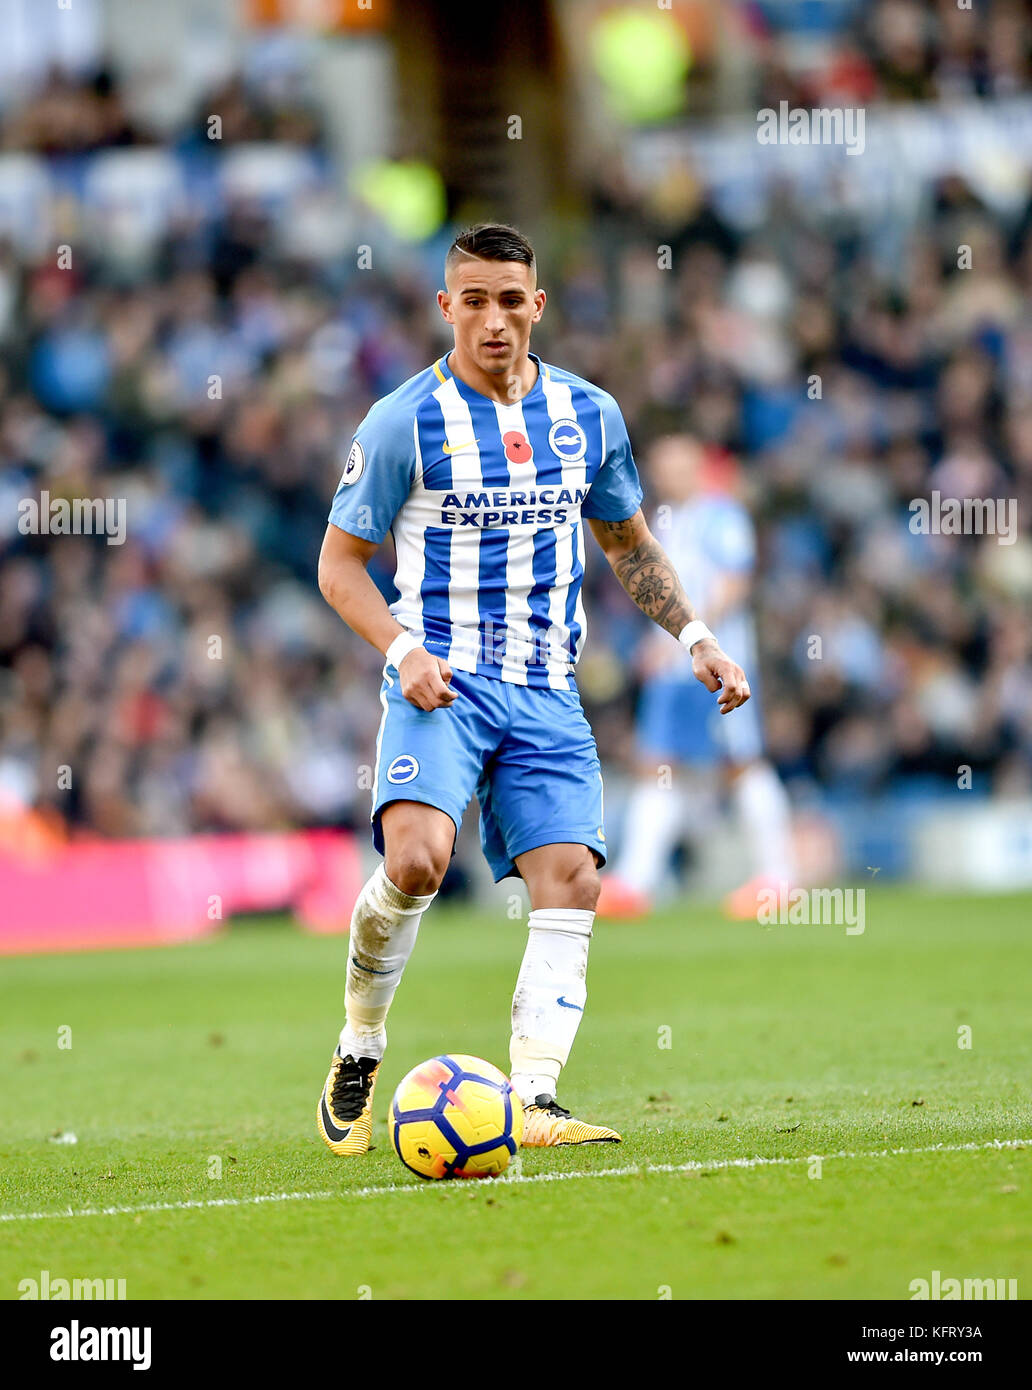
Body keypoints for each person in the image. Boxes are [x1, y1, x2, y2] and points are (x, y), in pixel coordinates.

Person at [315, 224, 750, 1154]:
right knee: (417, 862)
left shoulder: (589, 415)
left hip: (546, 693)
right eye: (473, 300)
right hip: (440, 684)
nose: (493, 318)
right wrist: (401, 652)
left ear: (537, 306)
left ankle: (537, 1096)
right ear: (446, 308)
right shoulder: (403, 421)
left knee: (575, 880)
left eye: (510, 299)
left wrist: (697, 637)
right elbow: (340, 567)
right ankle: (360, 1042)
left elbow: (628, 543)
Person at [597, 435, 798, 921]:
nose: (671, 474)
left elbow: (733, 582)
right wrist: (659, 643)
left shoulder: (720, 514)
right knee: (660, 765)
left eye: (681, 465)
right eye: (664, 466)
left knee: (740, 764)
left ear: (700, 467)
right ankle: (635, 881)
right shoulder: (672, 519)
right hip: (675, 670)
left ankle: (780, 878)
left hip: (716, 664)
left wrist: (696, 639)